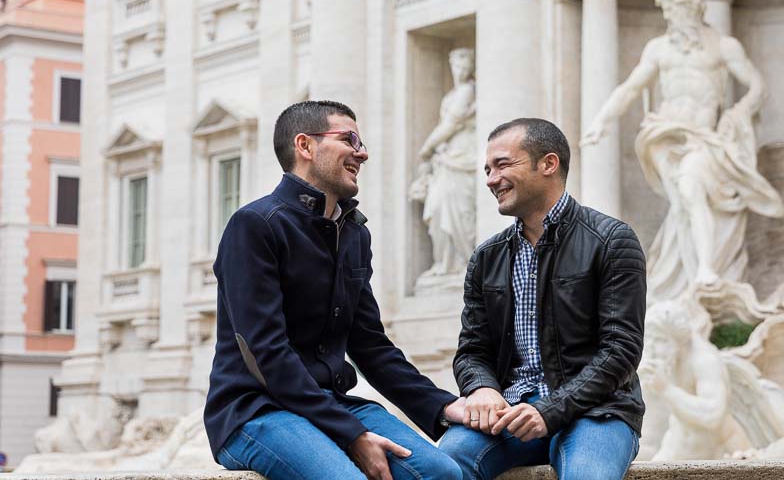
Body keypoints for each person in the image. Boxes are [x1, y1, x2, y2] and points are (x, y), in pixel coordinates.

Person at [204, 100, 464, 480]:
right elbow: (266, 353)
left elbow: (371, 346)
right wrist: (352, 434)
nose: (363, 152)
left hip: (332, 404)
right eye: (349, 139)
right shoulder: (254, 226)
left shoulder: (354, 233)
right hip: (255, 410)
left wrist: (442, 407)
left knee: (442, 473)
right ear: (305, 146)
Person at [440, 118, 646, 479]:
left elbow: (621, 350)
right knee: (442, 464)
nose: (490, 179)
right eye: (487, 169)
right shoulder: (486, 257)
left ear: (548, 164)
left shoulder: (612, 240)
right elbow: (472, 350)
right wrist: (482, 388)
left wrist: (550, 410)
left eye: (502, 164)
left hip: (598, 411)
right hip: (513, 412)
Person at [581, 0, 783, 300]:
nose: (673, 17)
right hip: (663, 134)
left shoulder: (722, 46)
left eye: (678, 9)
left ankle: (700, 270)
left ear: (695, 8)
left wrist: (740, 111)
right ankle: (694, 273)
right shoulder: (658, 48)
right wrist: (602, 120)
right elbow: (631, 87)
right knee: (684, 201)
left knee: (690, 188)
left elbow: (757, 85)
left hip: (702, 136)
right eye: (669, 11)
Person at [408, 47, 476, 279]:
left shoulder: (468, 91)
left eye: (465, 65)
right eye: (456, 65)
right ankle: (444, 262)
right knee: (437, 206)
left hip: (464, 155)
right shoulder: (450, 96)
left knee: (459, 208)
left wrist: (426, 148)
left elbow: (452, 123)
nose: (460, 70)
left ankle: (464, 261)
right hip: (447, 158)